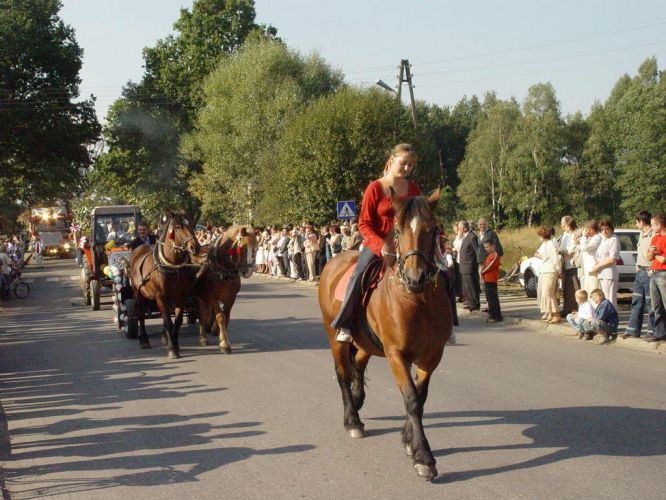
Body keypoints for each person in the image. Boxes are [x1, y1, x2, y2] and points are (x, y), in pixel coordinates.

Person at [331, 143, 421, 343]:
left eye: (411, 165)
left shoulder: (414, 189)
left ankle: (446, 325)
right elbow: (364, 223)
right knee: (358, 275)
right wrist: (381, 244)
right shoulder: (375, 188)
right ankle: (345, 323)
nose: (407, 168)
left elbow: (420, 218)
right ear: (391, 161)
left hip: (407, 244)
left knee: (441, 271)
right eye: (403, 163)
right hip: (377, 245)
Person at [622, 210, 655, 339]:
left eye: (637, 222)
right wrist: (637, 265)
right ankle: (632, 330)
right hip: (640, 271)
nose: (636, 225)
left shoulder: (654, 234)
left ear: (642, 221)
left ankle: (652, 331)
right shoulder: (641, 234)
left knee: (650, 303)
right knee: (636, 301)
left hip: (650, 271)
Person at [645, 213, 666, 342]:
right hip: (653, 272)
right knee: (656, 305)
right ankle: (659, 333)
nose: (651, 227)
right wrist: (653, 253)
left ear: (660, 225)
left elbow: (663, 259)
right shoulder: (655, 237)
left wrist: (656, 253)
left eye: (653, 225)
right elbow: (649, 257)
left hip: (663, 273)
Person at [534, 226, 561, 323]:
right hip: (545, 270)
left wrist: (559, 271)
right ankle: (551, 313)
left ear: (542, 235)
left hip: (550, 271)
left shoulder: (550, 244)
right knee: (546, 294)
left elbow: (555, 259)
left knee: (548, 293)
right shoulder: (545, 244)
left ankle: (556, 315)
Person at [593, 219, 620, 307]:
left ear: (611, 229)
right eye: (602, 229)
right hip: (602, 273)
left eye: (606, 228)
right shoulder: (603, 240)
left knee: (610, 299)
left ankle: (612, 319)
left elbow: (612, 259)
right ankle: (607, 318)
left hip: (609, 273)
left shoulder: (614, 239)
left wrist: (598, 265)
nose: (604, 231)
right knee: (605, 299)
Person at [559, 216, 580, 316]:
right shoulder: (565, 235)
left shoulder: (576, 234)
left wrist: (560, 251)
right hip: (565, 265)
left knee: (575, 289)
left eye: (564, 225)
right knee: (566, 289)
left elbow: (571, 251)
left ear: (568, 224)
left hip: (573, 266)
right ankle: (567, 309)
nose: (562, 227)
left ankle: (574, 310)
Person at [458, 220, 480, 312]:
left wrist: (477, 265)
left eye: (460, 228)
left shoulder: (472, 237)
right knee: (467, 287)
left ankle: (475, 304)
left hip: (470, 267)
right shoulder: (466, 237)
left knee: (472, 286)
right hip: (465, 267)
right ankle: (470, 302)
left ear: (464, 228)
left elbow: (477, 252)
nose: (459, 230)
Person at [479, 240, 502, 323]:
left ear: (492, 246)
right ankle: (492, 314)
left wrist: (482, 272)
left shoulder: (495, 255)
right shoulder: (489, 255)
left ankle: (496, 316)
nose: (486, 249)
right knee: (489, 298)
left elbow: (489, 266)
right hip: (487, 279)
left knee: (493, 298)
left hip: (492, 279)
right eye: (485, 247)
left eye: (488, 247)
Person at [579, 220, 602, 293]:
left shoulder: (597, 238)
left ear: (591, 229)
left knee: (593, 290)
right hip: (587, 269)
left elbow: (585, 248)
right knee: (588, 291)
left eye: (586, 229)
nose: (585, 232)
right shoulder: (590, 238)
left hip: (593, 269)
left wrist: (583, 237)